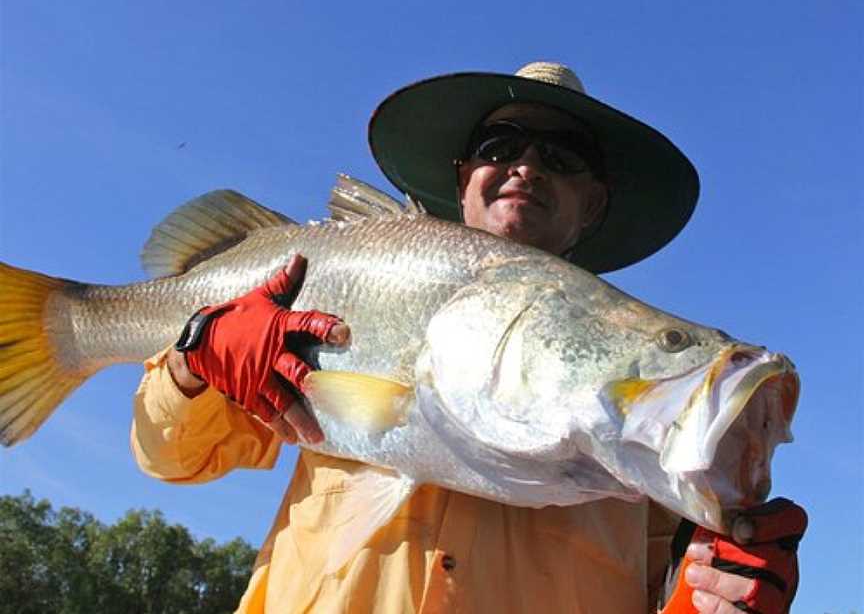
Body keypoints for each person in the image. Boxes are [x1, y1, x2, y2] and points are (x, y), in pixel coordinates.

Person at [131, 62, 805, 613]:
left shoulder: (654, 457)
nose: (525, 167)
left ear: (593, 203)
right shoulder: (313, 284)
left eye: (562, 156)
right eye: (498, 148)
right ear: (464, 180)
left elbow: (680, 594)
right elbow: (174, 459)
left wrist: (710, 600)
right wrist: (195, 357)